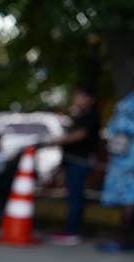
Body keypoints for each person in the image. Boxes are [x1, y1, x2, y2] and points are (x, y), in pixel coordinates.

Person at [49, 84, 101, 246]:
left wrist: (59, 140)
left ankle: (72, 230)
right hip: (72, 161)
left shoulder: (92, 116)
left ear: (90, 99)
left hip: (81, 161)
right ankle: (70, 228)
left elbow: (81, 134)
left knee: (76, 196)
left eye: (80, 96)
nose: (76, 99)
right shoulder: (78, 116)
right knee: (72, 195)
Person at [97, 89, 134, 253]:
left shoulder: (129, 103)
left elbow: (122, 129)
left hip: (128, 158)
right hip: (126, 156)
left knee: (129, 198)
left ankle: (123, 240)